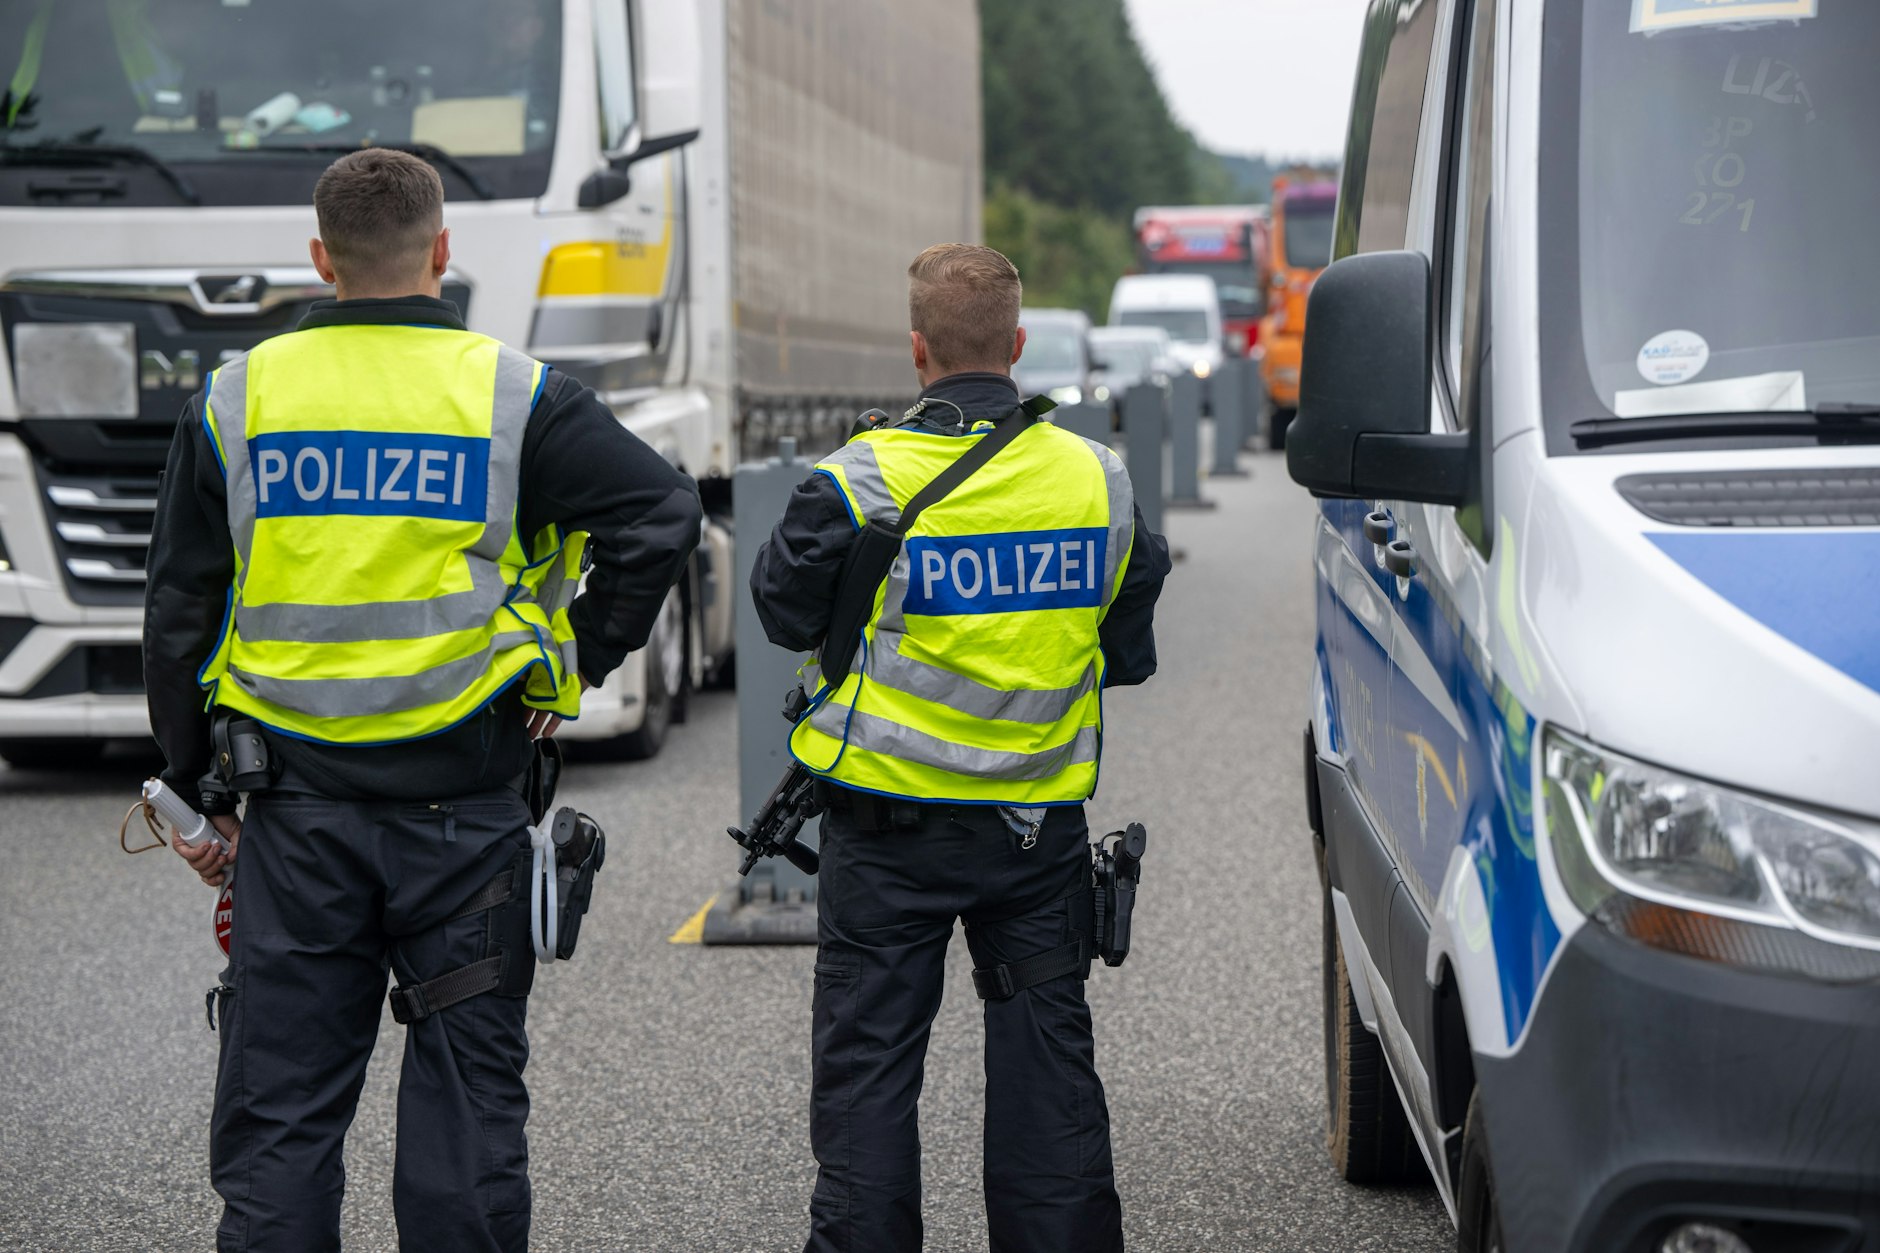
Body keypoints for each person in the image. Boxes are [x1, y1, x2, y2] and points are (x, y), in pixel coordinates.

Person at [143, 148, 701, 1252]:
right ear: (441, 254)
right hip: (466, 812)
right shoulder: (514, 394)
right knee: (463, 1113)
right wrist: (581, 658)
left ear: (320, 260)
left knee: (280, 1124)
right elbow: (663, 512)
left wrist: (192, 780)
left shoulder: (237, 398)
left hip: (294, 817)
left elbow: (179, 604)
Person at [751, 243, 1171, 1253]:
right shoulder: (1095, 478)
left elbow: (776, 610)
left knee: (868, 1079)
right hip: (1033, 835)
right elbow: (1128, 641)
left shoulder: (856, 479)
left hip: (885, 835)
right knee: (1046, 1070)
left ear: (915, 351)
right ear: (1017, 346)